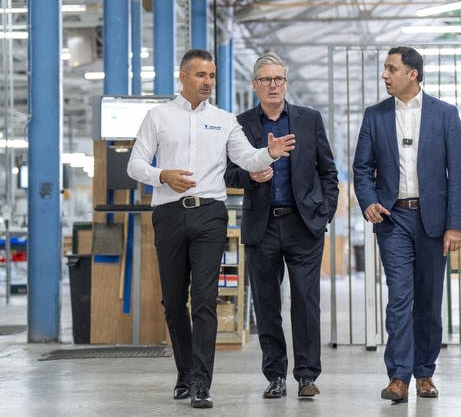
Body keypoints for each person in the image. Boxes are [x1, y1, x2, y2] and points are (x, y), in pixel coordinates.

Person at [127, 49, 295, 409]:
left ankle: (202, 382)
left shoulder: (224, 120)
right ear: (183, 77)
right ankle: (185, 372)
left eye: (212, 76)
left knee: (204, 300)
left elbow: (247, 158)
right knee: (173, 302)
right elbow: (135, 164)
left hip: (210, 216)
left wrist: (270, 153)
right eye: (201, 75)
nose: (207, 82)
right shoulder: (158, 117)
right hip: (169, 214)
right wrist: (162, 175)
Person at [352, 46, 461, 402]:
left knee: (429, 300)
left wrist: (455, 225)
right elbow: (361, 168)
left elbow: (457, 174)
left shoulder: (445, 115)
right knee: (399, 298)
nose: (385, 75)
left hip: (434, 221)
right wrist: (369, 200)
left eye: (391, 69)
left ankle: (424, 374)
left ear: (412, 74)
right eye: (385, 69)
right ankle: (398, 377)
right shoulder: (375, 116)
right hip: (393, 217)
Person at [225, 53, 338, 399]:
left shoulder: (308, 120)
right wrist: (250, 175)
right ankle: (275, 375)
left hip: (304, 225)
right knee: (267, 303)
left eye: (278, 79)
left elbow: (328, 172)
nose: (273, 85)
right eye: (265, 80)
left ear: (286, 83)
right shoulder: (240, 124)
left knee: (306, 301)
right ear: (255, 85)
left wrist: (324, 214)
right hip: (263, 226)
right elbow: (227, 173)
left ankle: (306, 375)